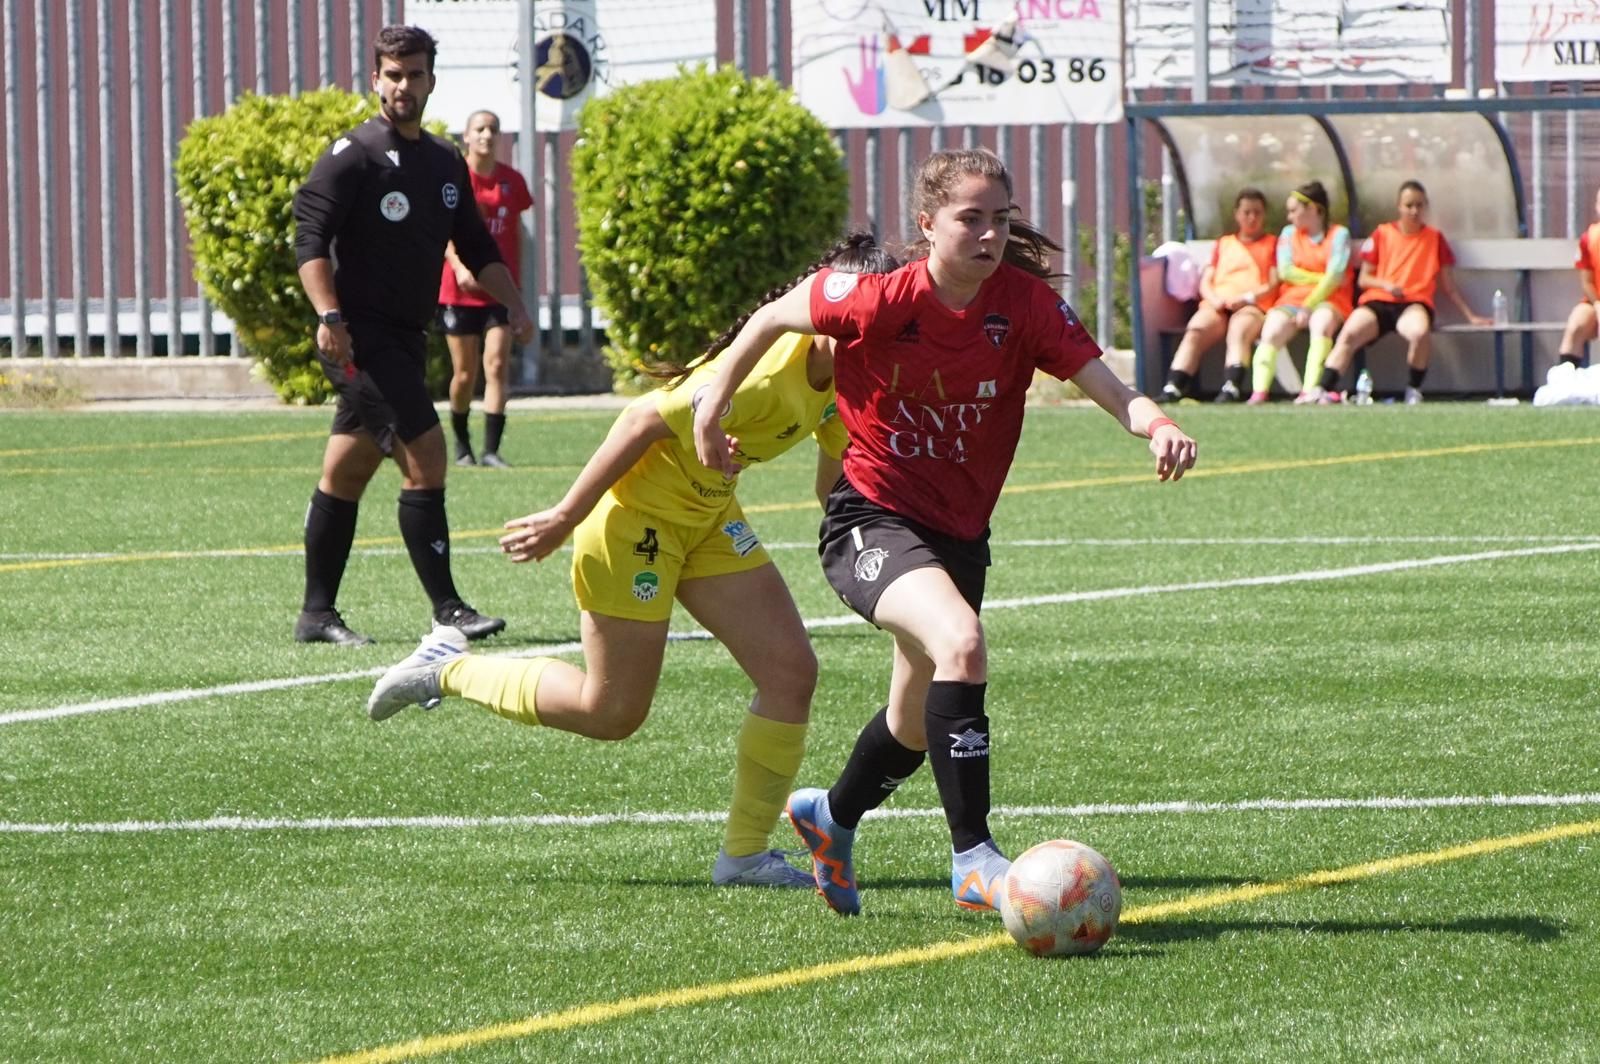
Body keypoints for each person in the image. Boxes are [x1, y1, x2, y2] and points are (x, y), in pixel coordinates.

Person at [690, 148, 1197, 916]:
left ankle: (831, 817)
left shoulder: (1023, 307)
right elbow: (768, 318)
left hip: (959, 535)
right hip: (869, 519)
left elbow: (1104, 382)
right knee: (961, 642)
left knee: (913, 721)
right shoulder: (877, 299)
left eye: (1001, 219)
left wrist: (1154, 424)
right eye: (971, 218)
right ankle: (974, 859)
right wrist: (709, 407)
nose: (990, 235)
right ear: (928, 224)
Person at [365, 234, 902, 889]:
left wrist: (888, 550)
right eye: (853, 320)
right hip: (634, 527)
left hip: (708, 520)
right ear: (820, 310)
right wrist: (564, 517)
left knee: (791, 672)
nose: (866, 333)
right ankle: (449, 668)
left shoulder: (848, 377)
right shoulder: (760, 372)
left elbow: (834, 487)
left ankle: (743, 857)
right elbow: (640, 419)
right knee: (611, 712)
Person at [290, 25, 534, 646]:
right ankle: (448, 608)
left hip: (404, 336)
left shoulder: (443, 162)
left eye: (415, 74)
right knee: (426, 456)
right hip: (358, 341)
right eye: (393, 75)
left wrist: (514, 304)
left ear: (430, 80)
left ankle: (316, 615)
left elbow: (476, 246)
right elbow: (309, 237)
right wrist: (329, 317)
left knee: (345, 472)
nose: (403, 85)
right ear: (376, 79)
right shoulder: (354, 154)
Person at [1306, 180, 1491, 405]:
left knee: (1419, 332)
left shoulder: (1434, 239)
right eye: (1409, 205)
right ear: (1399, 207)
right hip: (1379, 301)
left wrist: (1471, 316)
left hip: (1414, 302)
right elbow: (1364, 278)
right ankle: (1322, 388)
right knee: (1350, 333)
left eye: (1419, 206)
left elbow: (1448, 286)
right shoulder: (1383, 233)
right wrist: (1386, 285)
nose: (1414, 211)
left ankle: (1413, 389)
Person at [438, 109, 534, 469]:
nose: (487, 135)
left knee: (496, 366)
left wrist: (514, 287)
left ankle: (491, 450)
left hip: (499, 291)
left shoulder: (512, 181)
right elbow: (446, 230)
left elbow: (515, 236)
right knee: (464, 374)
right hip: (459, 290)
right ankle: (462, 447)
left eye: (493, 129)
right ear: (466, 135)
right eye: (479, 129)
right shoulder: (453, 177)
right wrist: (460, 266)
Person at [1157, 188, 1278, 404]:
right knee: (1196, 329)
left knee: (1239, 330)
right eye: (1247, 212)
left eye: (1257, 212)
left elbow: (1273, 282)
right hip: (1218, 303)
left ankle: (1232, 386)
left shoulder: (1272, 244)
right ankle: (1174, 385)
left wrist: (1247, 298)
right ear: (1237, 214)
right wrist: (1213, 299)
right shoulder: (1224, 243)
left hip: (1252, 305)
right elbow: (1206, 279)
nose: (1252, 218)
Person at [1244, 180, 1352, 405]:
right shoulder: (1288, 234)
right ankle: (1259, 393)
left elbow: (1335, 280)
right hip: (1292, 299)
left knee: (1321, 324)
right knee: (1271, 330)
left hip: (1330, 298)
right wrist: (1320, 278)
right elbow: (1286, 272)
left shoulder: (1339, 235)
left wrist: (1309, 304)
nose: (1289, 216)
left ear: (1313, 209)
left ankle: (1310, 390)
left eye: (1294, 210)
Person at [1554, 186, 1600, 370]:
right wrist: (1597, 304)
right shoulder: (1589, 238)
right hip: (1596, 302)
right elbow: (1587, 281)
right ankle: (1566, 379)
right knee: (1576, 324)